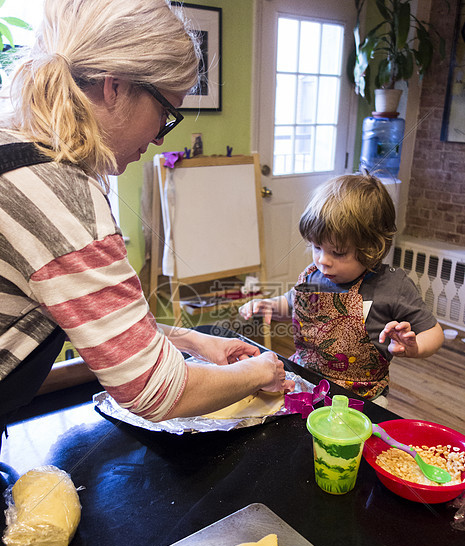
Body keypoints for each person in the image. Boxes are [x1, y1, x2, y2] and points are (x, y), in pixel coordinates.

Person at [0, 0, 293, 434]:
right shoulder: (63, 196)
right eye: (165, 113)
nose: (159, 137)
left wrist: (193, 340)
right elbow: (156, 389)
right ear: (114, 86)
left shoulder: (17, 145)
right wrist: (263, 370)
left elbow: (103, 324)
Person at [239, 173, 444, 406]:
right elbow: (293, 305)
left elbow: (434, 332)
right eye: (317, 247)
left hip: (362, 396)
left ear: (372, 247)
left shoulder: (392, 286)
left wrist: (415, 348)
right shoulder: (313, 276)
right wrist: (271, 305)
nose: (323, 260)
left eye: (338, 252)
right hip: (307, 380)